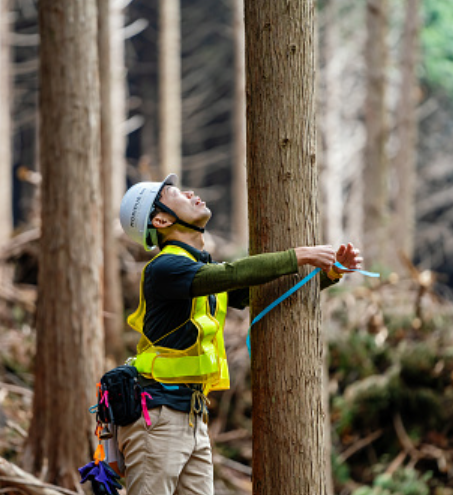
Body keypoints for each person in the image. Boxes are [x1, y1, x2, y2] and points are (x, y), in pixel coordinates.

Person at [117, 173, 363, 495]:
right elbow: (232, 274)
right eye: (175, 193)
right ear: (161, 220)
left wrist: (329, 275)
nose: (190, 193)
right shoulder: (166, 269)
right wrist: (298, 256)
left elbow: (256, 294)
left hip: (190, 416)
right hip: (158, 416)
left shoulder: (198, 269)